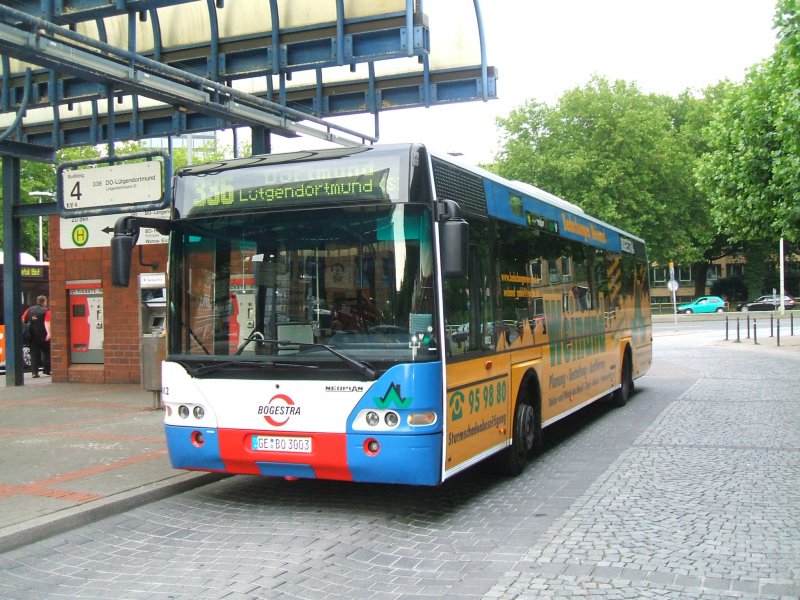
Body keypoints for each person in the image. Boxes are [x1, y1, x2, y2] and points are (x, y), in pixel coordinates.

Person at [23, 295, 51, 378]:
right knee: (47, 352)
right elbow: (47, 322)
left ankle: (34, 372)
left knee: (34, 354)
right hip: (43, 336)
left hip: (32, 336)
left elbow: (22, 319)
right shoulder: (46, 311)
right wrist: (49, 333)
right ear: (44, 302)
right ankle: (47, 370)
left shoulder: (29, 310)